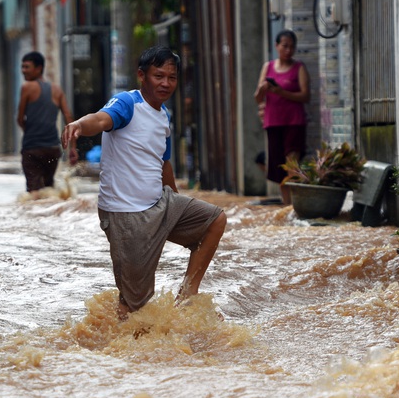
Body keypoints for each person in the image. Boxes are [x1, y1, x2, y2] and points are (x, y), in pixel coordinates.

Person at [61, 45, 227, 321]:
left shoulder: (164, 116)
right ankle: (125, 358)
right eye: (158, 76)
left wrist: (177, 203)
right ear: (142, 75)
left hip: (161, 203)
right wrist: (79, 124)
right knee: (134, 312)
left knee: (215, 220)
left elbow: (163, 162)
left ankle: (187, 296)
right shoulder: (127, 103)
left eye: (171, 78)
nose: (165, 83)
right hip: (127, 215)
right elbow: (100, 119)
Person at [254, 30, 311, 205]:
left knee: (291, 163)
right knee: (279, 167)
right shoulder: (268, 67)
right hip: (273, 122)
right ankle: (287, 204)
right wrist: (263, 89)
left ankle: (297, 204)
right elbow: (257, 98)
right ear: (276, 46)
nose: (288, 50)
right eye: (285, 46)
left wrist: (282, 92)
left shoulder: (298, 68)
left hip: (294, 122)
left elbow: (305, 96)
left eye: (292, 47)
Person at [17, 51, 77, 192]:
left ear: (38, 68)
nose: (23, 70)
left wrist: (30, 133)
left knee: (34, 193)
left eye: (27, 67)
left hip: (32, 149)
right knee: (48, 188)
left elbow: (19, 119)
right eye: (22, 67)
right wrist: (73, 148)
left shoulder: (26, 87)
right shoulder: (57, 90)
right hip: (52, 149)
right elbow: (69, 118)